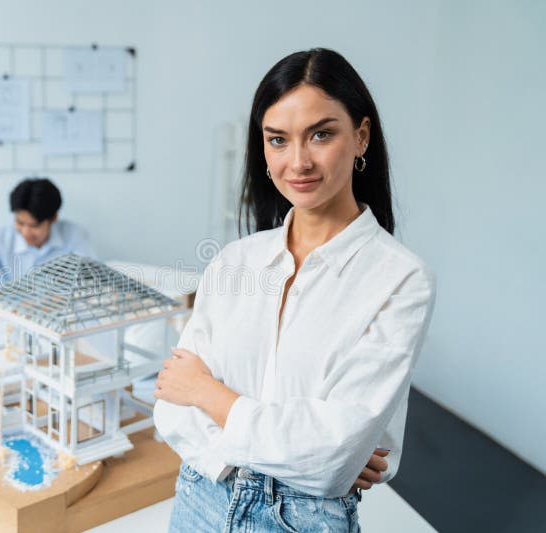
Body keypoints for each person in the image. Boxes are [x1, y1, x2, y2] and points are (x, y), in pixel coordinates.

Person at [153, 48, 436, 532]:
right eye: (278, 140)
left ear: (360, 136)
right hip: (201, 497)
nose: (298, 161)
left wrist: (207, 392)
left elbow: (332, 456)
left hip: (301, 520)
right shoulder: (234, 262)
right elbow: (171, 410)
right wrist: (306, 453)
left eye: (321, 134)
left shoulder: (400, 278)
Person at [0, 178, 96, 313]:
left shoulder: (75, 237)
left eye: (34, 225)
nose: (25, 232)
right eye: (20, 223)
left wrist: (50, 302)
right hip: (13, 317)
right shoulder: (1, 239)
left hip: (62, 316)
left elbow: (93, 283)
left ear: (53, 218)